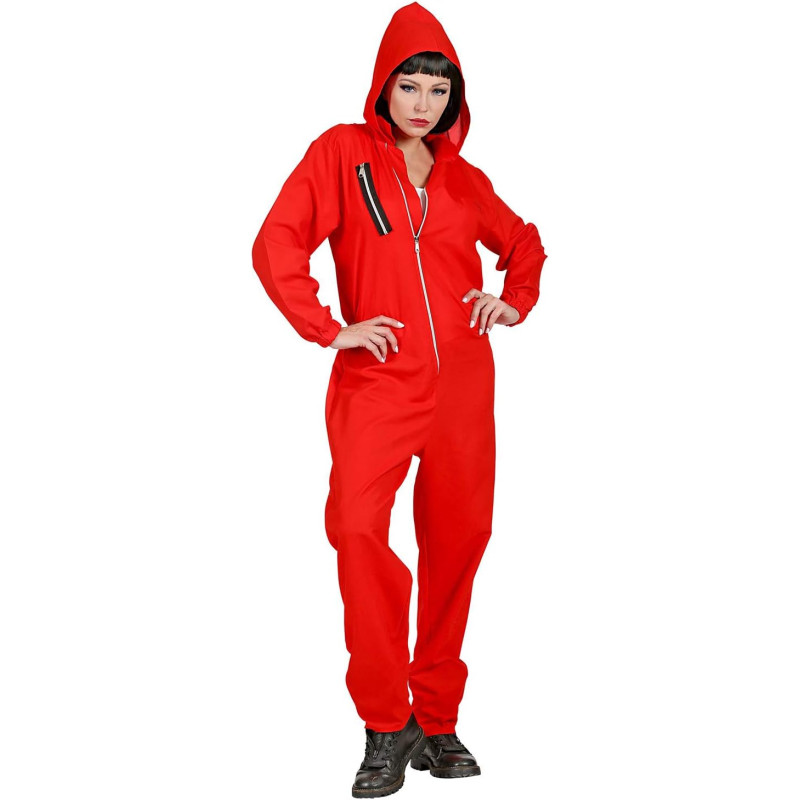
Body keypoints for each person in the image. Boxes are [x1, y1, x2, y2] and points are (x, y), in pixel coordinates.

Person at [252, 2, 548, 796]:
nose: (423, 103)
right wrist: (329, 328)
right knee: (357, 532)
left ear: (455, 100)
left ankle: (437, 719)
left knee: (458, 543)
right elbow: (277, 240)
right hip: (377, 383)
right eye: (409, 85)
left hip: (463, 388)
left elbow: (524, 241)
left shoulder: (464, 180)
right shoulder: (342, 153)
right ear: (384, 86)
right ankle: (387, 722)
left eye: (438, 91)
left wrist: (513, 301)